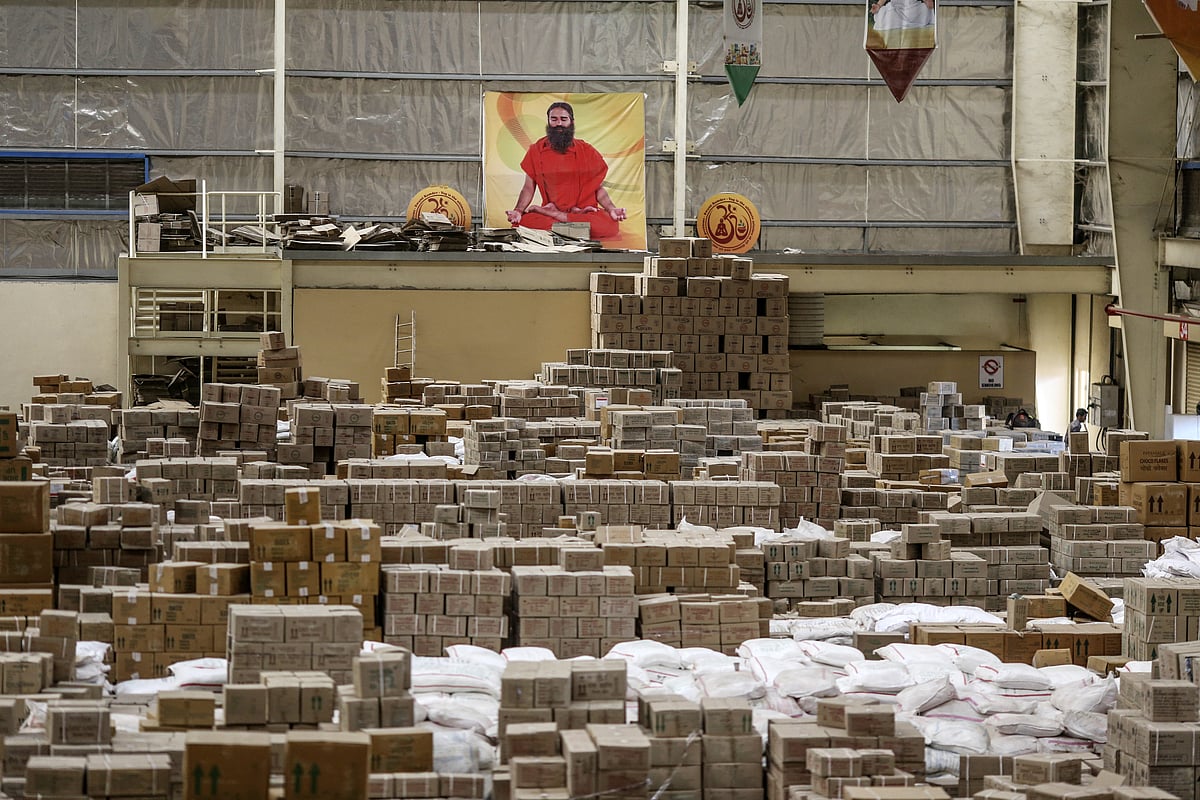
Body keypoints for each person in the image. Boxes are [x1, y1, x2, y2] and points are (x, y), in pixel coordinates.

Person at [506, 102, 626, 240]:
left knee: (610, 225)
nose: (559, 124)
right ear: (548, 122)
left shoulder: (586, 150)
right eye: (554, 119)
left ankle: (558, 219)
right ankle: (570, 226)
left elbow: (597, 189)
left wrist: (611, 209)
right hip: (559, 215)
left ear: (571, 122)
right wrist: (518, 211)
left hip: (584, 212)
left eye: (563, 119)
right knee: (522, 223)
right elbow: (528, 188)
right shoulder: (536, 150)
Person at [870, 0, 935, 31]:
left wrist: (928, 2)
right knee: (881, 14)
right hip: (896, 10)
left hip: (913, 9)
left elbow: (929, 3)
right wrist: (878, 6)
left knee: (925, 9)